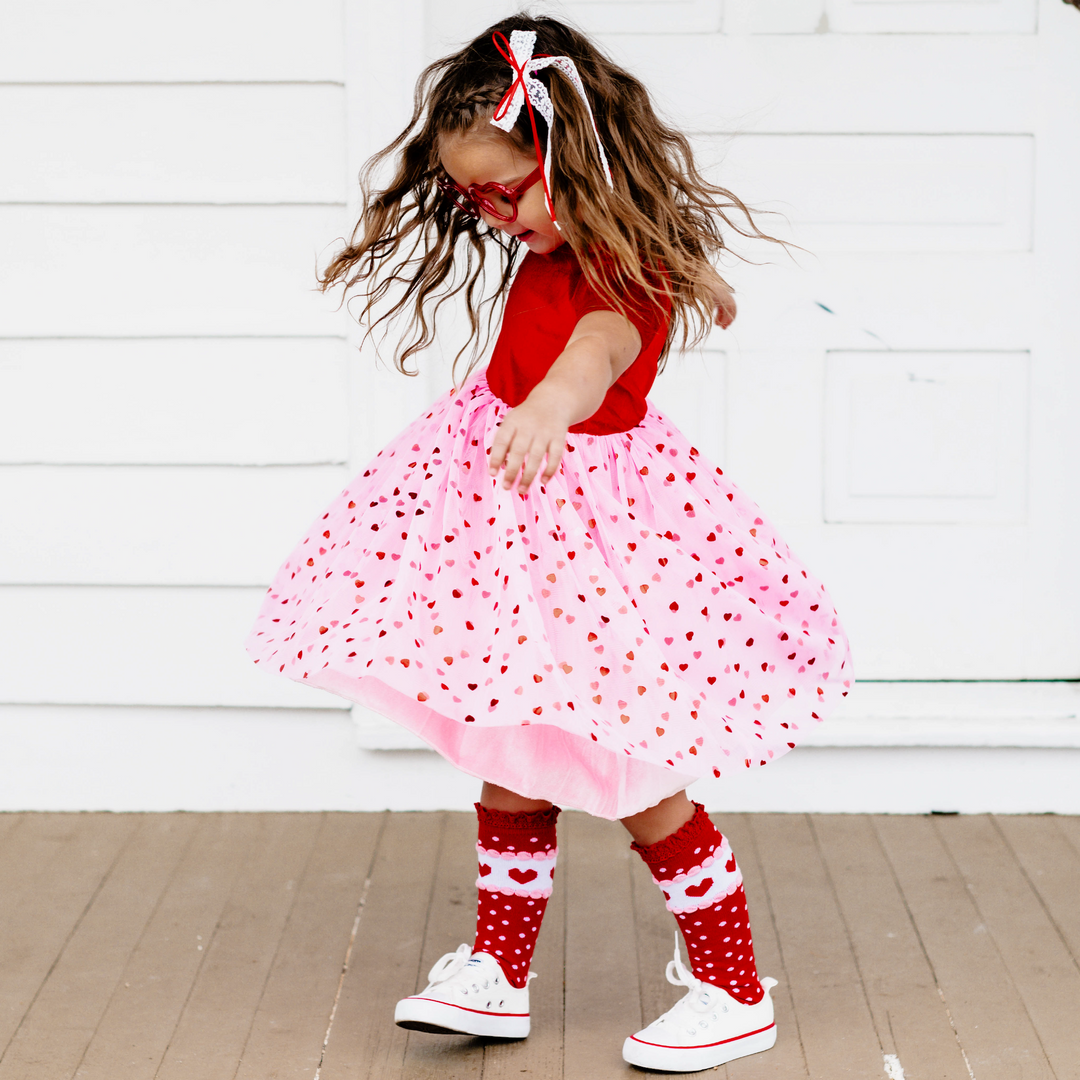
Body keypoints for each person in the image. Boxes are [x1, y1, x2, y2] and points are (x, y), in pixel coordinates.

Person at [245, 14, 852, 1072]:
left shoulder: (616, 279)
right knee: (508, 750)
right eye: (471, 197)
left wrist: (551, 410)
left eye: (505, 190)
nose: (491, 214)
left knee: (635, 772)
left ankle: (731, 985)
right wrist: (694, 273)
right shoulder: (601, 243)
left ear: (574, 159)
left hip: (595, 547)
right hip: (510, 543)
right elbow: (652, 272)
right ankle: (495, 971)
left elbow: (595, 347)